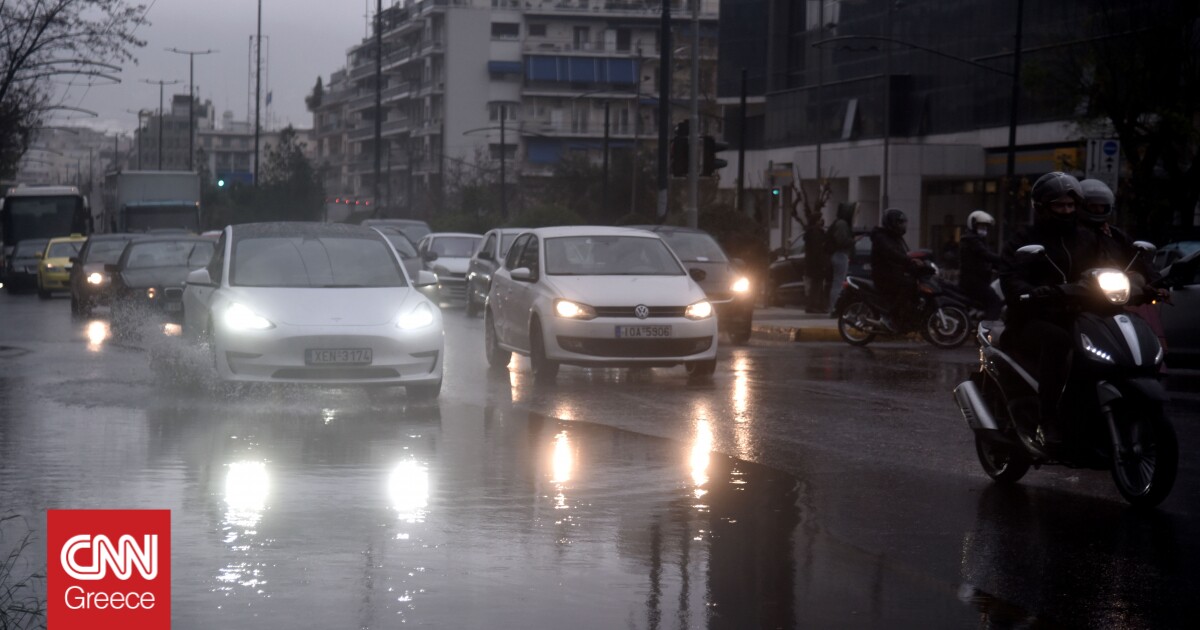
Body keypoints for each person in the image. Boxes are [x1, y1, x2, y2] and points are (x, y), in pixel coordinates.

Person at [1000, 172, 1100, 445]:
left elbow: (1111, 263)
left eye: (1070, 205)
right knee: (1058, 340)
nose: (1066, 211)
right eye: (1059, 205)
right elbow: (1009, 274)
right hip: (1032, 317)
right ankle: (1048, 418)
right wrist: (1029, 292)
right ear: (1043, 207)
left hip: (1079, 313)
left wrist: (1142, 281)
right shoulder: (1025, 238)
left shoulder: (1087, 237)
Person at [870, 208, 924, 332]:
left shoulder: (895, 237)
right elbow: (893, 254)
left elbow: (905, 254)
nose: (902, 226)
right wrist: (909, 261)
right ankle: (891, 316)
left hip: (893, 272)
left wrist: (917, 263)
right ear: (891, 223)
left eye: (903, 223)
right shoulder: (881, 237)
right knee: (908, 285)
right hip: (883, 275)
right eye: (899, 223)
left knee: (914, 283)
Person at [958, 210, 1004, 319]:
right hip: (974, 282)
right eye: (981, 225)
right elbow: (985, 255)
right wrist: (1005, 260)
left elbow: (983, 259)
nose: (984, 229)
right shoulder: (972, 240)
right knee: (995, 302)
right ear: (973, 225)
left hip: (975, 280)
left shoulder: (976, 240)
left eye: (985, 226)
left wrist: (997, 266)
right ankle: (987, 330)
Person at [827, 201, 856, 315]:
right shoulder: (842, 224)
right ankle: (834, 306)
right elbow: (842, 241)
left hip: (839, 254)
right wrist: (854, 240)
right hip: (840, 254)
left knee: (837, 282)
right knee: (838, 282)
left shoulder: (839, 223)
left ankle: (834, 306)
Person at [803, 213, 828, 313]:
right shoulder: (815, 233)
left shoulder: (811, 232)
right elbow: (817, 249)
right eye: (820, 219)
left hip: (812, 263)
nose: (822, 221)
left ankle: (814, 305)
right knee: (816, 285)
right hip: (816, 263)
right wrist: (822, 263)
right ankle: (814, 305)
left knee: (815, 285)